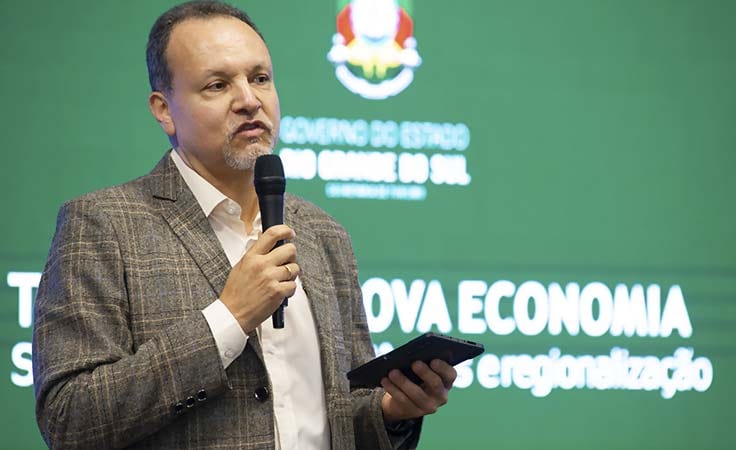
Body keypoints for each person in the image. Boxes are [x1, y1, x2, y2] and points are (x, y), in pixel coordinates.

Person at [32, 1, 456, 449]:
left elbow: (339, 413)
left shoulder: (323, 233)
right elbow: (70, 418)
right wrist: (228, 318)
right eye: (218, 85)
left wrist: (390, 412)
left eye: (260, 79)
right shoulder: (103, 225)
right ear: (164, 109)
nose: (250, 100)